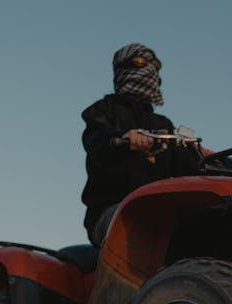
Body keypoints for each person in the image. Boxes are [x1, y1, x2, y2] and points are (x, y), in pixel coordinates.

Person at [80, 42, 198, 247]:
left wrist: (199, 154)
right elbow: (97, 146)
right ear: (123, 68)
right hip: (114, 211)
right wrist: (122, 140)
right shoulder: (102, 112)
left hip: (161, 211)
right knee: (145, 224)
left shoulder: (164, 125)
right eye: (141, 63)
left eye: (155, 66)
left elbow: (189, 168)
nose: (149, 71)